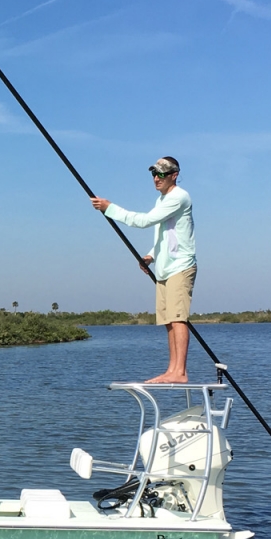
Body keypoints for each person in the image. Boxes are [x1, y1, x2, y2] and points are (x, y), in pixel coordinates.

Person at [91, 157, 196, 383]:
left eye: (161, 174)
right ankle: (172, 370)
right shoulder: (162, 200)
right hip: (165, 268)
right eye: (154, 174)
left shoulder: (179, 197)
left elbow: (144, 221)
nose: (156, 178)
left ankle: (180, 372)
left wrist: (111, 209)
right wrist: (151, 255)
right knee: (168, 319)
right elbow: (165, 234)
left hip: (181, 266)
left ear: (174, 175)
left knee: (178, 319)